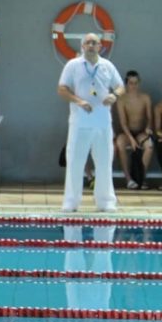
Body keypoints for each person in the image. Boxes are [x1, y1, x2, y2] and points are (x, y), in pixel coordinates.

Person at [58, 33, 124, 213]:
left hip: (102, 123)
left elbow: (120, 86)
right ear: (82, 46)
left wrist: (114, 95)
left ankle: (106, 201)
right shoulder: (73, 65)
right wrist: (79, 101)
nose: (91, 45)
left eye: (94, 43)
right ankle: (71, 201)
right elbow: (62, 89)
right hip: (80, 123)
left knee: (104, 162)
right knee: (75, 162)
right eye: (87, 43)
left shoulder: (107, 66)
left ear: (100, 46)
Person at [115, 70, 154, 190]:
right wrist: (131, 139)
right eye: (131, 83)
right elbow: (123, 123)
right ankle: (129, 179)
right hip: (127, 132)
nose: (133, 86)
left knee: (150, 146)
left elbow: (149, 117)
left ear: (139, 83)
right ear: (127, 84)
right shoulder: (122, 100)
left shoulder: (145, 98)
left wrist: (148, 127)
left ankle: (140, 176)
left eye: (136, 83)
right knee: (120, 144)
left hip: (141, 132)